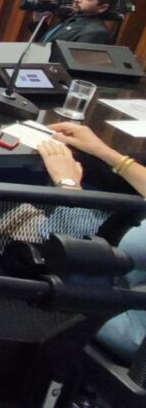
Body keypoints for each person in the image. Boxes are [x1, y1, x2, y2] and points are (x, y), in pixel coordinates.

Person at [35, 123, 146, 365]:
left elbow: (76, 251)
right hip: (125, 295)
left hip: (125, 330)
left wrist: (68, 185)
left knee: (12, 237)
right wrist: (106, 153)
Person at [40, 0, 119, 44]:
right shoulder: (72, 18)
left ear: (102, 8)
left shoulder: (96, 33)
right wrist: (37, 21)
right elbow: (46, 43)